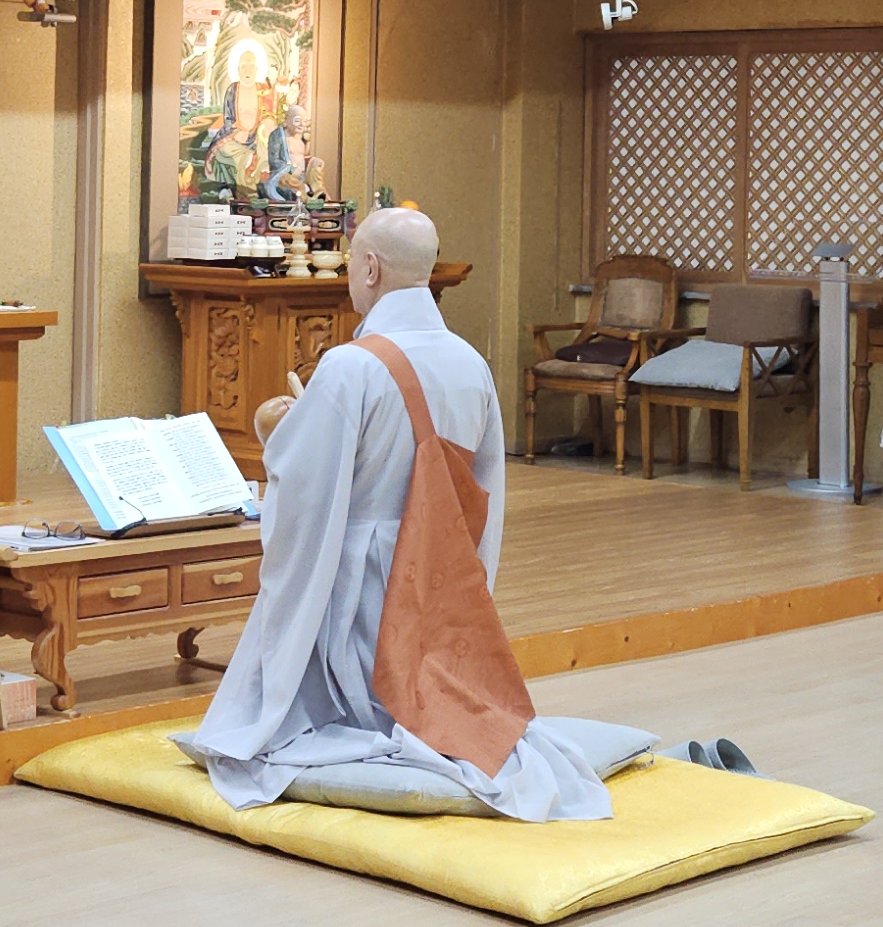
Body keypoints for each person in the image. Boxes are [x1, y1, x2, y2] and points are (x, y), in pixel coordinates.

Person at [181, 207, 616, 821]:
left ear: (369, 268)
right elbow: (485, 487)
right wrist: (473, 578)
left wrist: (275, 434)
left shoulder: (351, 365)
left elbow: (308, 492)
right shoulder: (471, 362)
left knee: (310, 715)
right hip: (439, 572)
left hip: (360, 578)